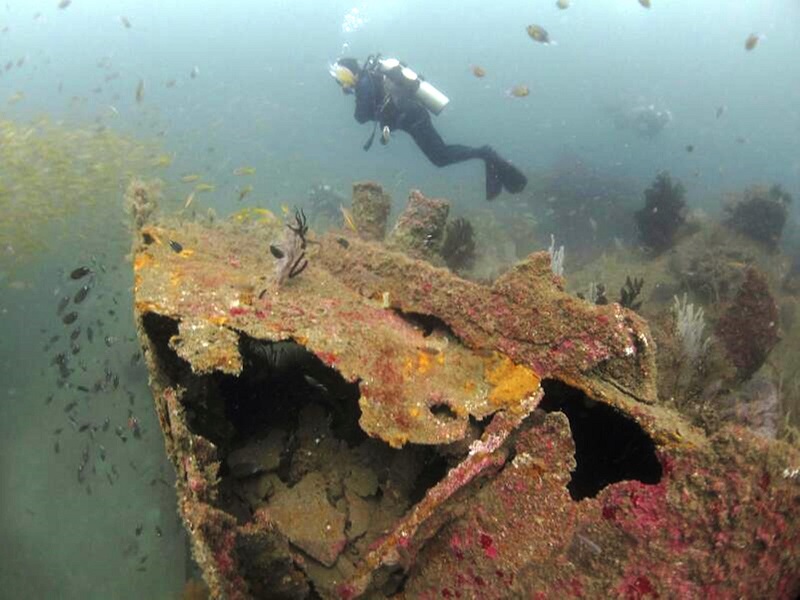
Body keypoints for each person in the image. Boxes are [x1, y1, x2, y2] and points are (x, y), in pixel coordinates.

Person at [331, 55, 527, 201]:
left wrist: (351, 91)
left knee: (440, 157)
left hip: (412, 118)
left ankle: (486, 154)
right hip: (412, 116)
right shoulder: (369, 79)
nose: (341, 82)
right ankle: (488, 158)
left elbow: (360, 117)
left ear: (350, 73)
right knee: (440, 155)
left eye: (341, 77)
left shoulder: (364, 83)